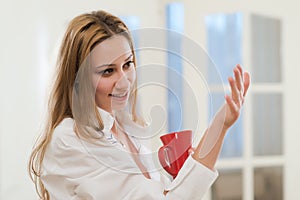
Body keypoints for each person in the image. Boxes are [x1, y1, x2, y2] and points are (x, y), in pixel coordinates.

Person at [28, 10, 250, 200]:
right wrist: (220, 125)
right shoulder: (70, 140)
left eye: (128, 64)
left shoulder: (124, 130)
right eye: (108, 71)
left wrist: (175, 176)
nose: (124, 81)